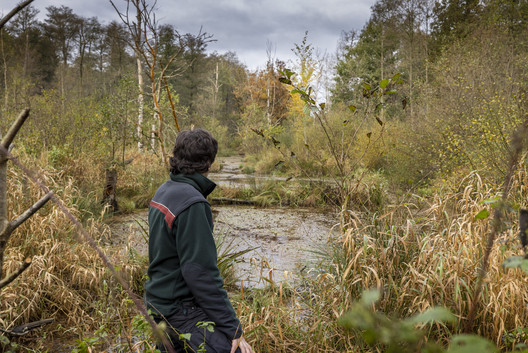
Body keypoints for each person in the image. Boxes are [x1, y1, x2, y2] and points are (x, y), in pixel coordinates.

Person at [145, 129, 254, 353]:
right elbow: (200, 272)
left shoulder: (164, 191)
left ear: (177, 156)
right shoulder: (193, 203)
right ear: (208, 162)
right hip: (181, 312)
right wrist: (233, 328)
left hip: (159, 305)